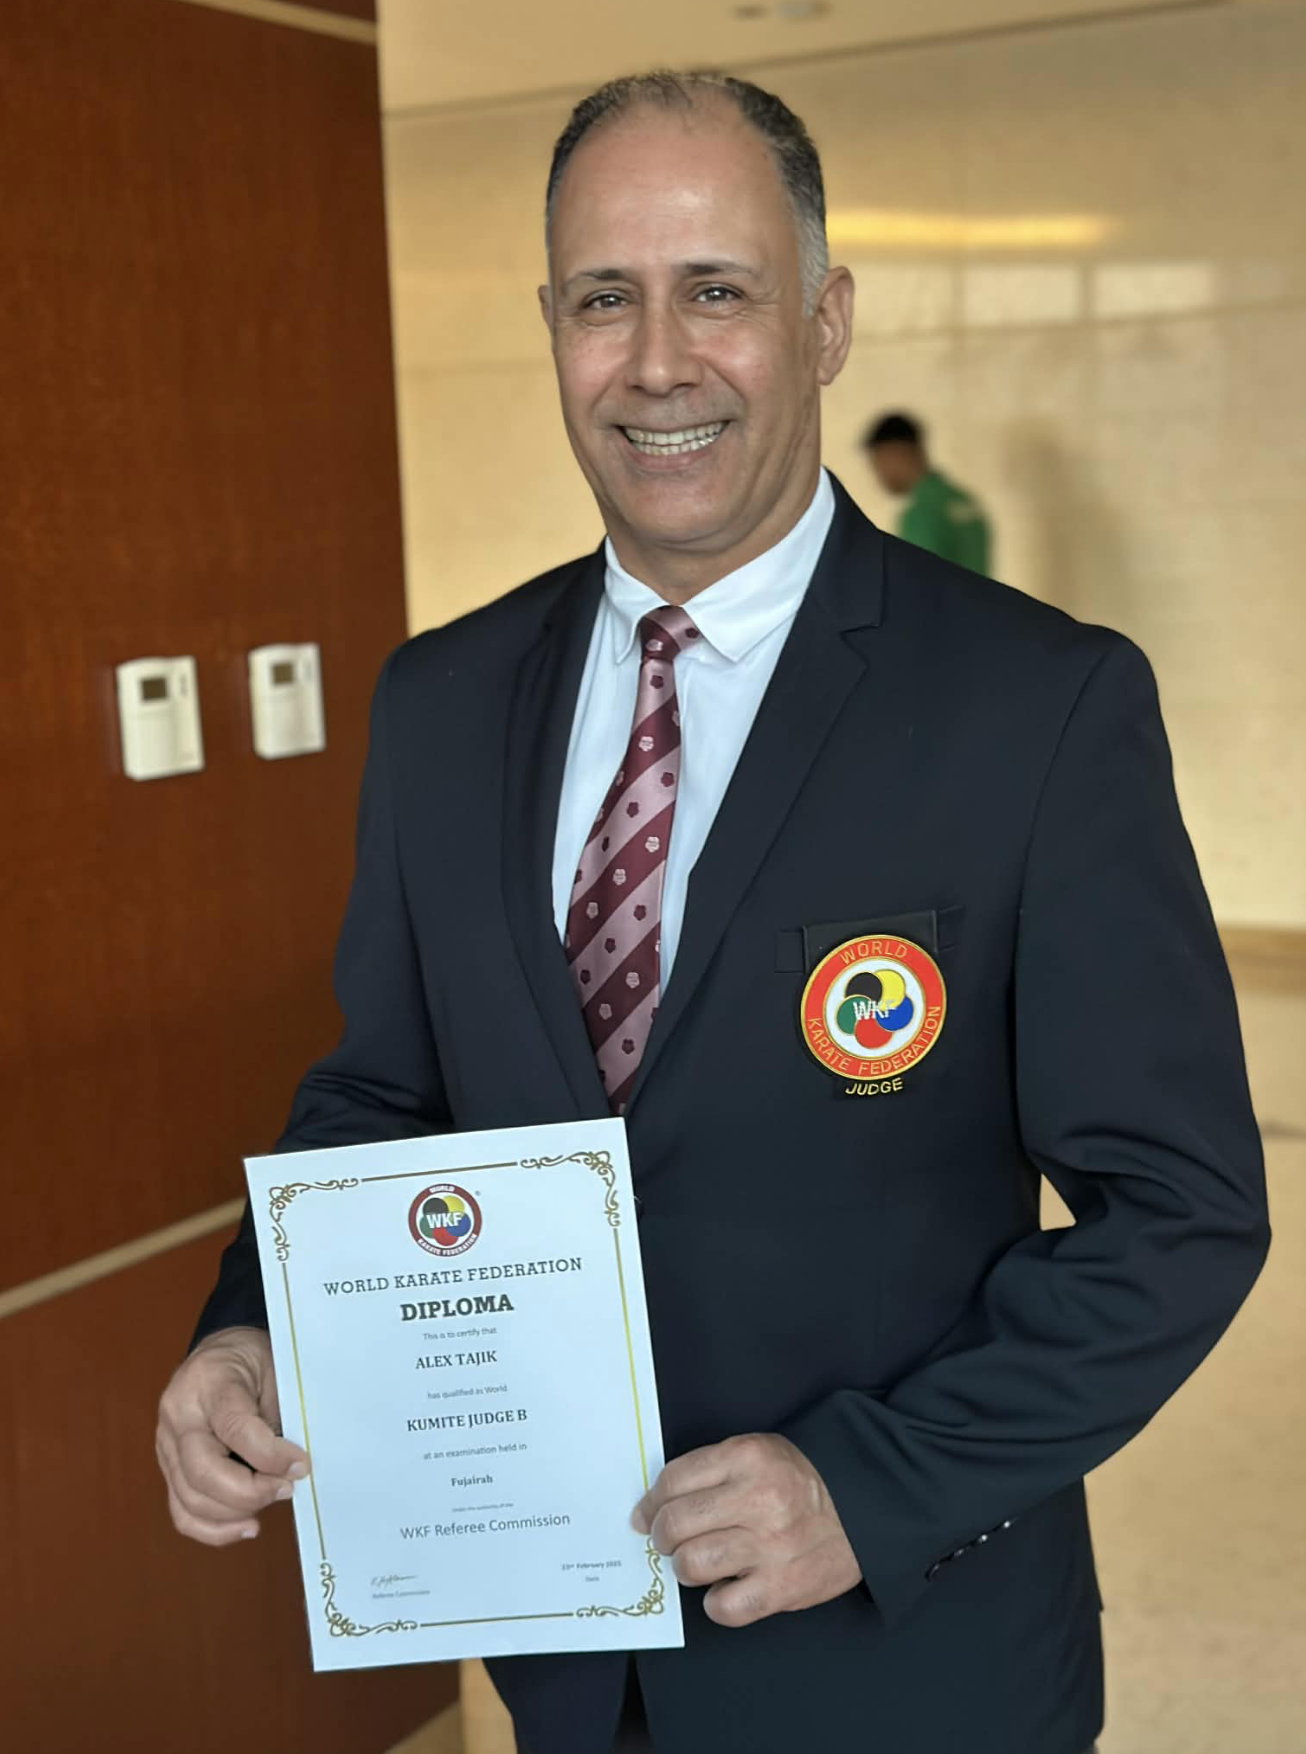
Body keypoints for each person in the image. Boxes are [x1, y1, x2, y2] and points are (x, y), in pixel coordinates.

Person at [156, 70, 1268, 1754]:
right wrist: (253, 1319)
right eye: (605, 296)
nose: (658, 359)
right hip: (566, 1658)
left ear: (823, 321)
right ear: (551, 326)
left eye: (719, 291)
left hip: (912, 1660)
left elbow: (1180, 1208)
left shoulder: (1037, 705)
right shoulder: (443, 703)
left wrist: (871, 1481)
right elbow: (385, 1098)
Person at [864, 410, 992, 574]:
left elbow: (915, 583)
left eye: (877, 463)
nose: (878, 475)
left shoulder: (922, 513)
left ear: (896, 453)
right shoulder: (965, 502)